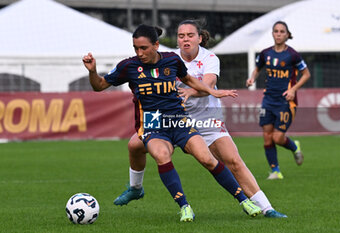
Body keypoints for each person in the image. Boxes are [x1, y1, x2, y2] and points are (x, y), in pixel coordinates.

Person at [83, 24, 261, 222]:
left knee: (207, 159)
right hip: (153, 124)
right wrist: (93, 71)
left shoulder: (172, 60)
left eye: (144, 48)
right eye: (136, 48)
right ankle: (184, 207)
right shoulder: (128, 66)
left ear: (156, 45)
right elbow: (99, 85)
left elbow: (189, 80)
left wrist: (212, 91)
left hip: (178, 120)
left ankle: (244, 201)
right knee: (161, 155)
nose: (139, 53)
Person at [114, 20, 286, 218]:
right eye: (181, 36)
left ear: (200, 38)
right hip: (171, 118)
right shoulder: (166, 57)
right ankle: (135, 189)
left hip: (206, 119)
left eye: (190, 35)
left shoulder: (210, 58)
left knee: (233, 161)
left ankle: (267, 208)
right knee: (134, 146)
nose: (185, 39)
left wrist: (190, 92)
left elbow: (208, 84)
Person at [246, 21, 311, 180]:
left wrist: (293, 90)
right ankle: (275, 171)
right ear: (273, 34)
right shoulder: (265, 53)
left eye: (282, 31)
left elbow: (306, 74)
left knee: (277, 138)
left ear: (287, 35)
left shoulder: (293, 55)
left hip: (286, 102)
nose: (279, 34)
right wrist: (252, 78)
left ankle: (294, 147)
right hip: (268, 100)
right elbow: (258, 68)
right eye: (276, 31)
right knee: (267, 136)